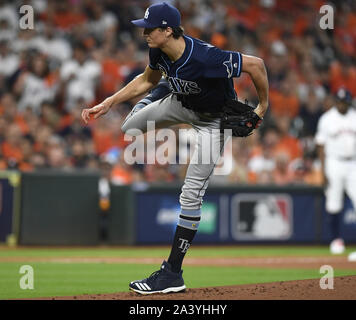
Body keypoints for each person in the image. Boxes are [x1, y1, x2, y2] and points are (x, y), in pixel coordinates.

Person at [82, 2, 269, 294]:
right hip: (180, 106)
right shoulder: (158, 50)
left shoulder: (206, 57)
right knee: (129, 127)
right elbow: (147, 78)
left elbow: (256, 64)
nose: (144, 34)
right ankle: (171, 87)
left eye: (150, 29)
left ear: (168, 30)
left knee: (191, 193)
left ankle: (172, 273)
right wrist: (109, 102)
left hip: (213, 121)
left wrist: (262, 106)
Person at [315, 87, 356, 255]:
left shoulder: (354, 116)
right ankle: (336, 240)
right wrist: (323, 171)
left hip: (353, 163)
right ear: (335, 102)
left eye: (344, 102)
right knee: (333, 202)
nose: (342, 105)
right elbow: (321, 146)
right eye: (339, 102)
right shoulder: (327, 119)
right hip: (334, 162)